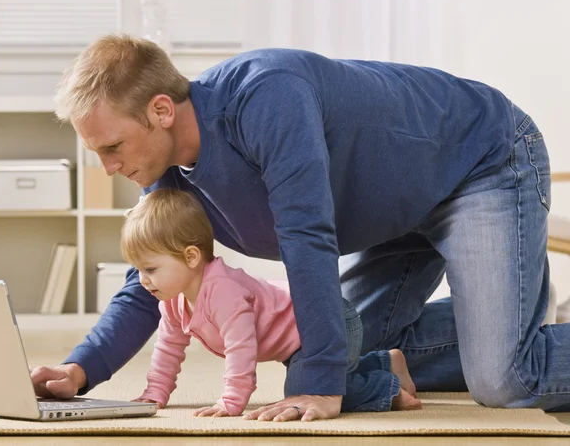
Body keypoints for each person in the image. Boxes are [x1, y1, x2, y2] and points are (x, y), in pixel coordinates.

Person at [30, 32, 569, 421]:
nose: (108, 167)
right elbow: (149, 280)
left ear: (162, 110)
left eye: (112, 147)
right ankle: (506, 315)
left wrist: (320, 387)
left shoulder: (265, 96)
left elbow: (306, 235)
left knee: (505, 381)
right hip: (395, 214)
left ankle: (507, 331)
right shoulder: (169, 175)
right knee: (347, 341)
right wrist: (81, 371)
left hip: (480, 160)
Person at [121, 187, 421, 417]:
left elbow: (242, 348)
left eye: (150, 269)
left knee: (301, 393)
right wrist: (154, 394)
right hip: (295, 345)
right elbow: (168, 349)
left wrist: (233, 400)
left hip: (324, 322)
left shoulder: (223, 292)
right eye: (138, 269)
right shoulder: (173, 302)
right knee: (302, 384)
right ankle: (384, 362)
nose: (142, 279)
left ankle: (386, 389)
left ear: (190, 257)